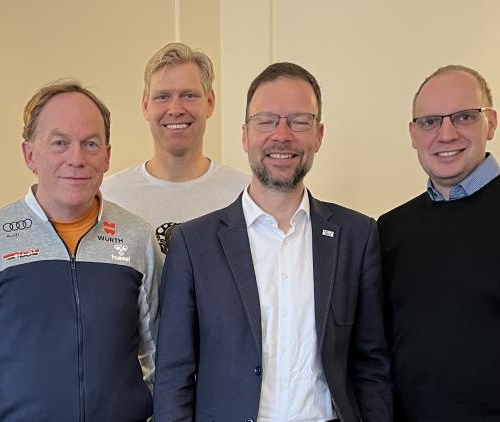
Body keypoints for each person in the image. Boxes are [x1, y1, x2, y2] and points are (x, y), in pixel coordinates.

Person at [153, 62, 392, 422]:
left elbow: (371, 364)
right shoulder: (193, 244)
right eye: (267, 121)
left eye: (299, 121)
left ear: (319, 135)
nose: (282, 135)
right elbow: (174, 374)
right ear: (245, 135)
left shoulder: (356, 236)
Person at [0, 80, 161, 421]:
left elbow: (163, 359)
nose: (76, 158)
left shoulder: (137, 238)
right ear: (29, 155)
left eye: (90, 144)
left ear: (107, 156)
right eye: (59, 143)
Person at [378, 65, 500, 421]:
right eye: (430, 122)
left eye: (464, 117)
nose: (446, 134)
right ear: (413, 134)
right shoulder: (388, 229)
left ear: (490, 123)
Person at [101, 42, 248, 253]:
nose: (176, 109)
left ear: (210, 102)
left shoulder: (243, 196)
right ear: (145, 106)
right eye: (163, 97)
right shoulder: (109, 197)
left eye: (189, 95)